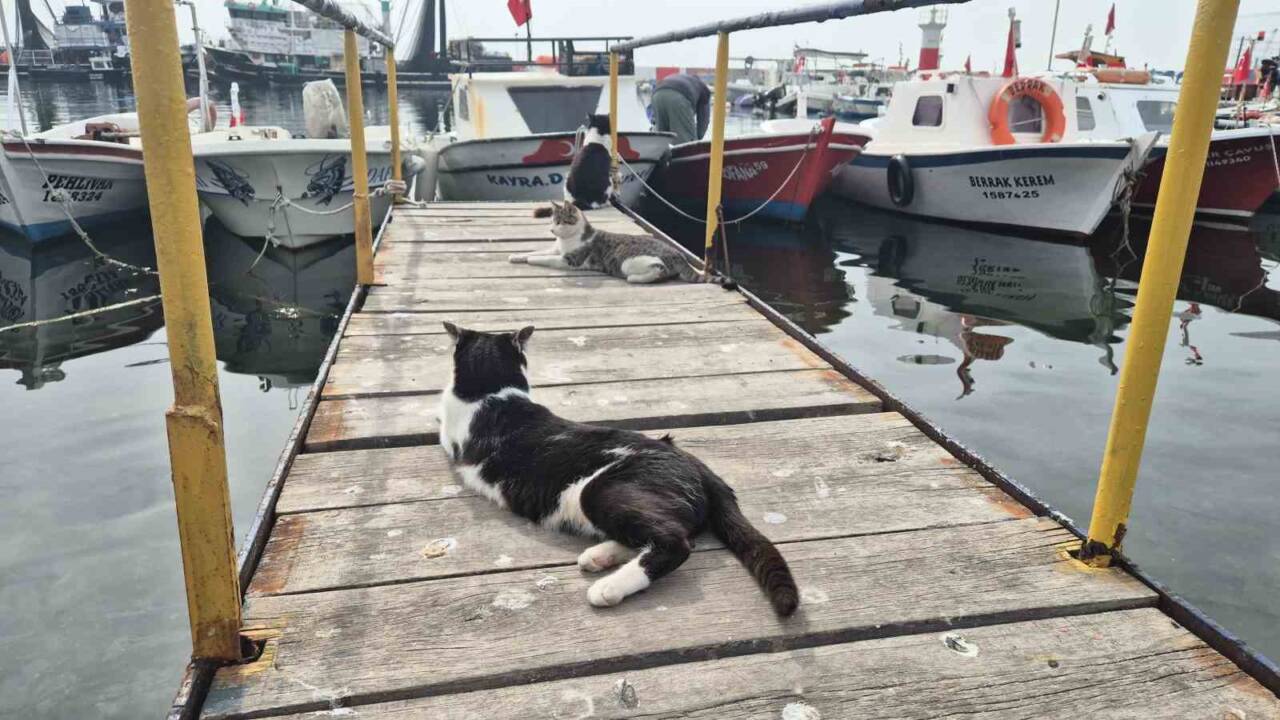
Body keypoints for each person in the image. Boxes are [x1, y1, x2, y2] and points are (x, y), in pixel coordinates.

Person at [650, 73, 711, 144]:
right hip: (679, 97)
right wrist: (696, 137)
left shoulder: (683, 79)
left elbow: (654, 118)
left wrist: (654, 121)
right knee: (686, 141)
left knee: (661, 138)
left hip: (657, 95)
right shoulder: (703, 90)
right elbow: (703, 119)